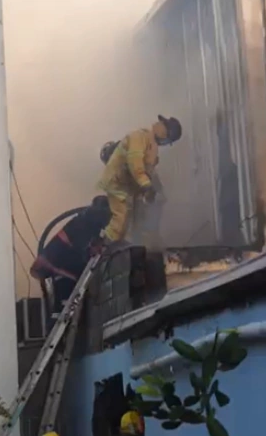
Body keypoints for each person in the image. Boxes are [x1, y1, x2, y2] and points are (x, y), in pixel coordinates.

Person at [97, 115, 183, 246]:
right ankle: (107, 246)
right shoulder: (140, 139)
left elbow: (143, 172)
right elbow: (136, 167)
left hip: (138, 192)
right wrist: (146, 187)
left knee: (134, 220)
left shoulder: (149, 145)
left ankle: (131, 245)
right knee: (124, 219)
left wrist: (149, 191)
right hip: (130, 190)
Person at [30, 196, 111, 316]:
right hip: (56, 273)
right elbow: (87, 250)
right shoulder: (80, 225)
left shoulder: (91, 226)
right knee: (65, 307)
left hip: (64, 270)